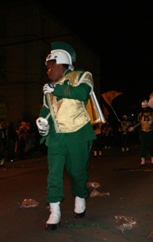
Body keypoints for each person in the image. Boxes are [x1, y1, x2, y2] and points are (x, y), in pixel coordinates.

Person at [36, 44, 101, 230]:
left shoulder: (82, 75)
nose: (47, 71)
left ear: (61, 63)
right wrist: (41, 120)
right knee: (54, 174)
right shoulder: (49, 87)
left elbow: (82, 93)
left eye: (50, 66)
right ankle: (54, 212)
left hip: (78, 133)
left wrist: (55, 90)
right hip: (56, 136)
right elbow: (47, 108)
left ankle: (80, 198)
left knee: (77, 172)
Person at [137, 100, 153, 166]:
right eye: (143, 107)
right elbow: (138, 124)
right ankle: (143, 160)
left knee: (151, 145)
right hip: (143, 132)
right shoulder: (140, 115)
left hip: (150, 131)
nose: (144, 108)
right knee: (143, 146)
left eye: (146, 106)